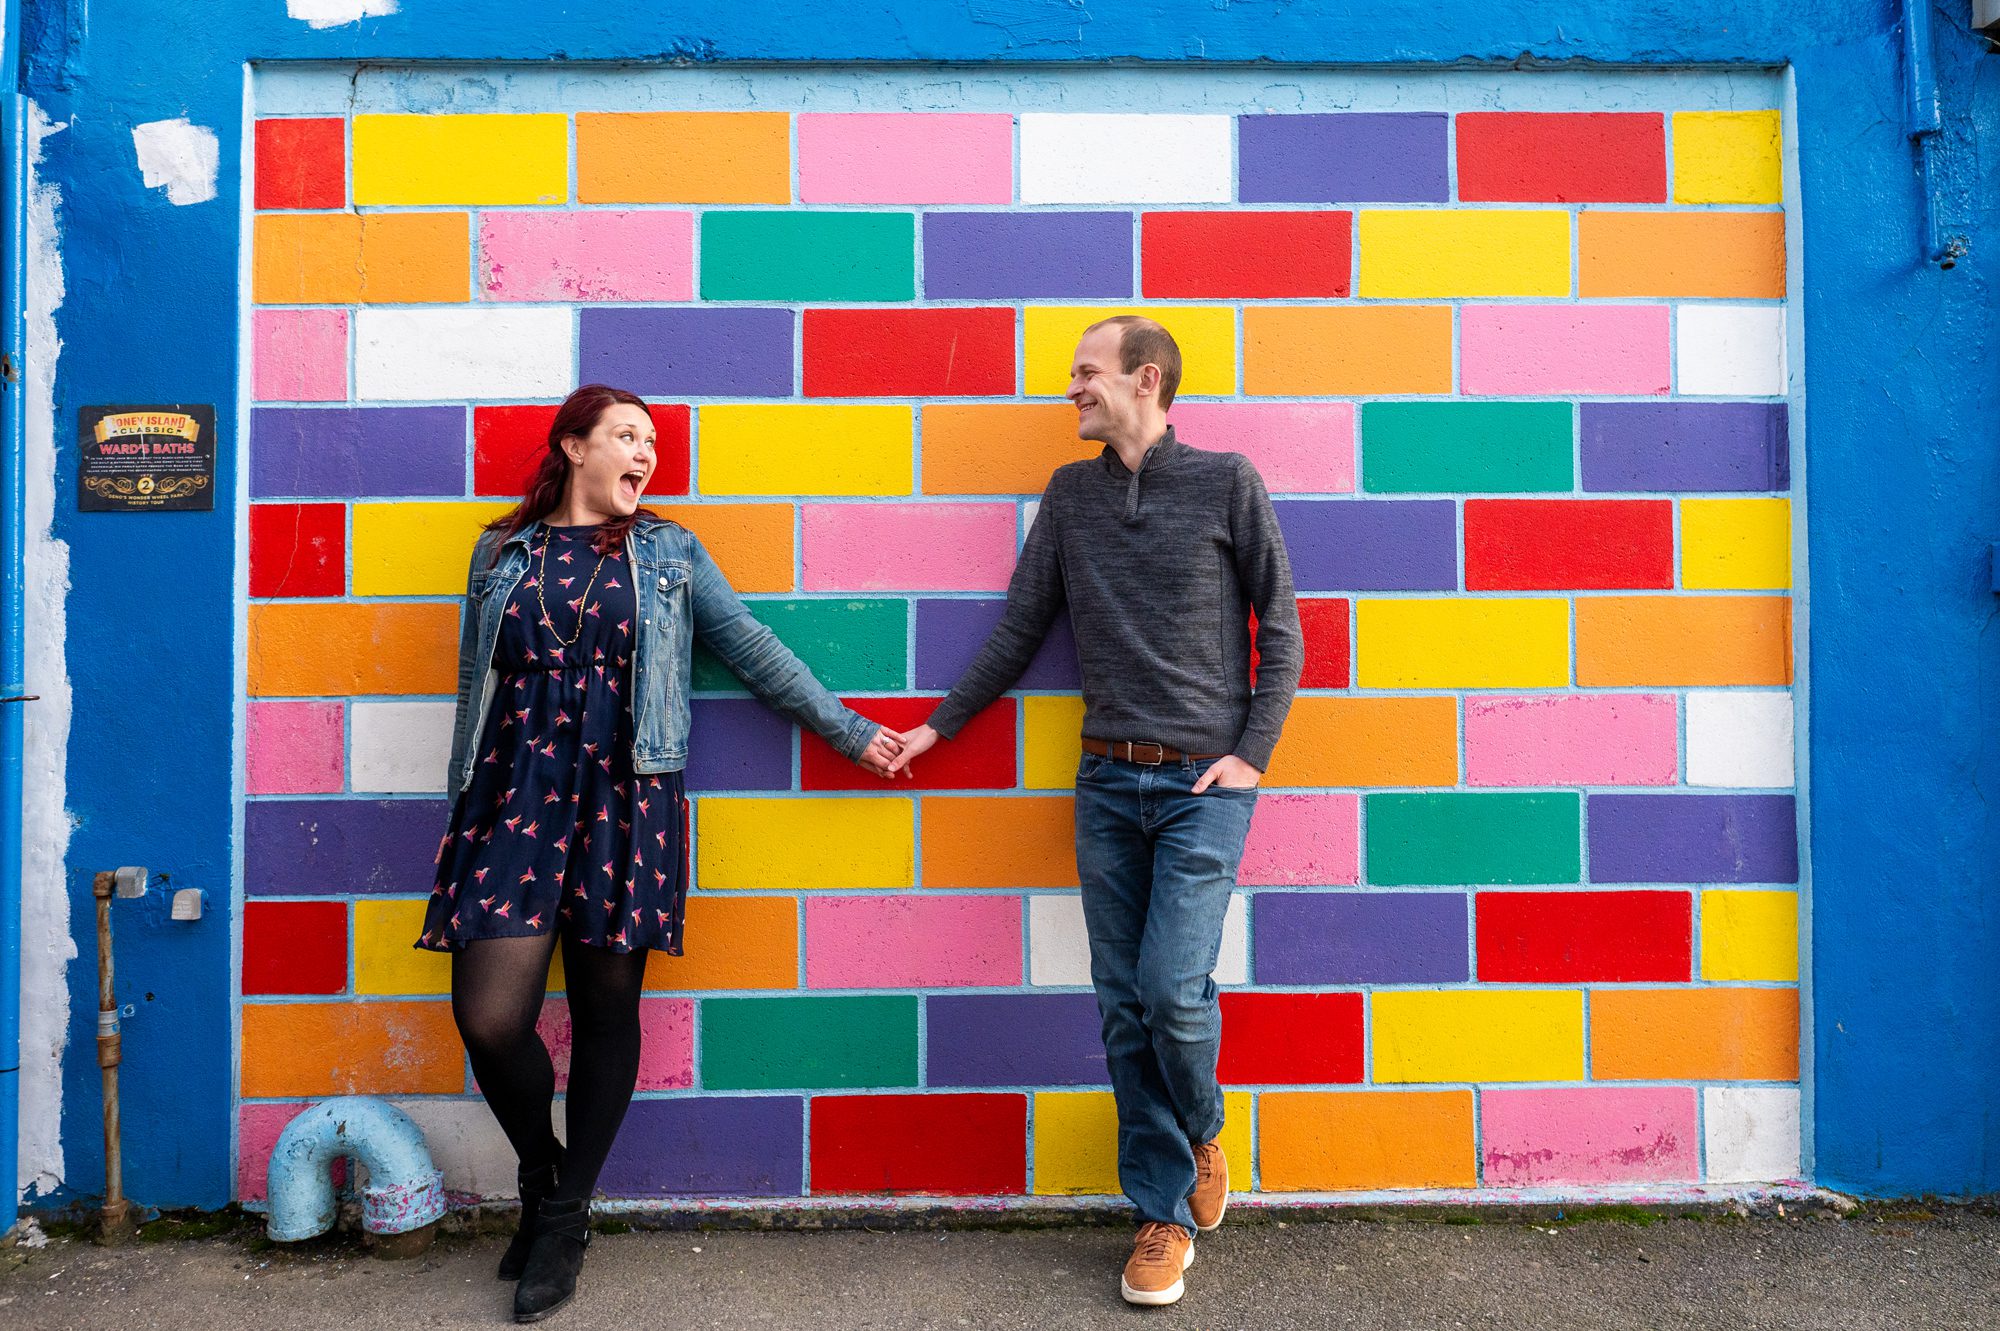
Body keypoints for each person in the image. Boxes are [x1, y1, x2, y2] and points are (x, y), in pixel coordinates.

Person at [418, 384, 902, 1323]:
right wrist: (463, 790)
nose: (645, 453)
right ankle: (541, 1172)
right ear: (572, 447)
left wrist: (847, 730)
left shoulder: (670, 554)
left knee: (607, 1008)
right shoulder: (498, 553)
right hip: (513, 793)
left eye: (652, 441)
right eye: (625, 436)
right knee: (488, 1017)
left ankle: (563, 1221)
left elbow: (753, 649)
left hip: (624, 792)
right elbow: (472, 676)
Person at [887, 317, 1302, 1307]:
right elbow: (1021, 625)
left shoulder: (1225, 480)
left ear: (1142, 379)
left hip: (1204, 781)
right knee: (1121, 1003)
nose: (1069, 388)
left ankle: (1198, 1126)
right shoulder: (1071, 495)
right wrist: (935, 728)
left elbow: (1279, 625)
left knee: (1168, 987)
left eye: (1084, 372)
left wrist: (1251, 754)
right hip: (1107, 782)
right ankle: (1159, 1212)